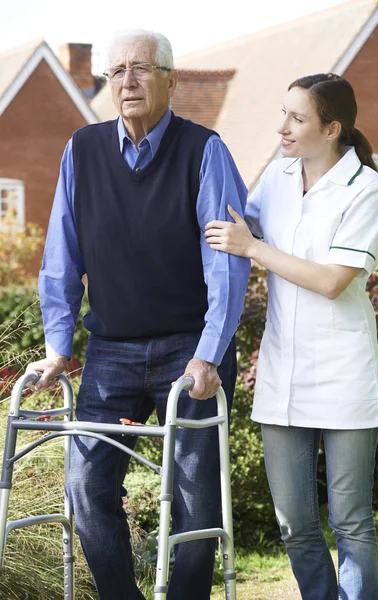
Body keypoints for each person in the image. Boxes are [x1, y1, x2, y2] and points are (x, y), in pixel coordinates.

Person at [29, 29, 250, 600]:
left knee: (198, 498)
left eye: (142, 69)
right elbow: (61, 256)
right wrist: (59, 346)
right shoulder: (81, 149)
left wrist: (209, 354)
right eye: (117, 71)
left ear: (172, 81)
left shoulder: (206, 151)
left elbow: (225, 265)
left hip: (189, 347)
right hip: (110, 349)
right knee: (85, 485)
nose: (127, 81)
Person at [205, 73, 378, 600]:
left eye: (297, 118)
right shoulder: (279, 177)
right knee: (294, 525)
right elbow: (237, 224)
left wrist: (253, 249)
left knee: (351, 523)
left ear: (332, 129)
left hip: (343, 376)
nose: (282, 127)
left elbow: (332, 280)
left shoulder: (366, 188)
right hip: (282, 372)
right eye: (283, 113)